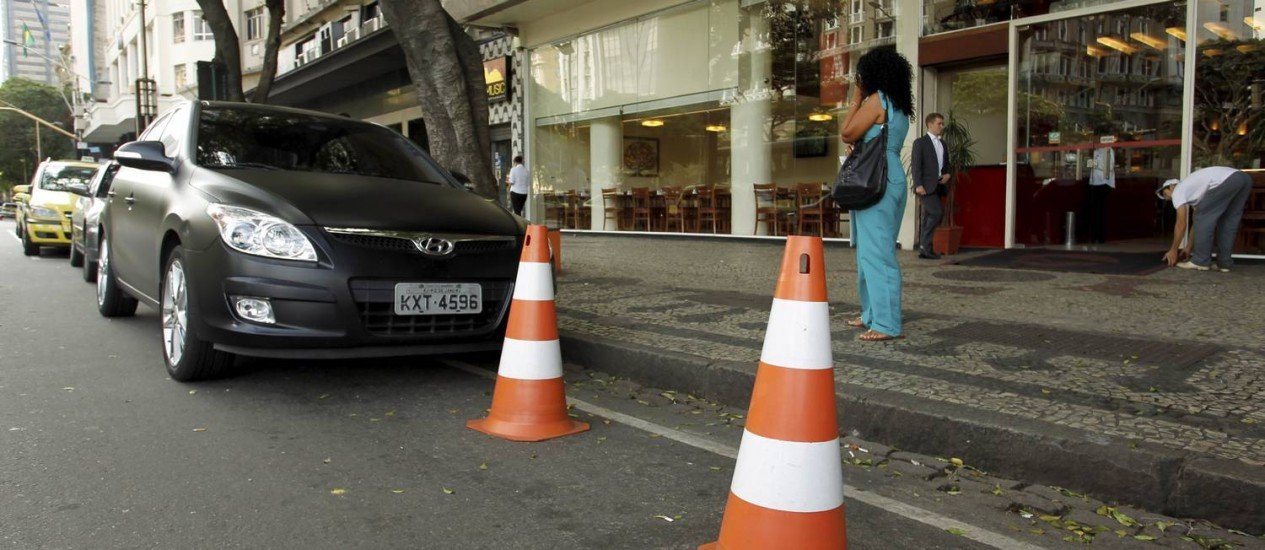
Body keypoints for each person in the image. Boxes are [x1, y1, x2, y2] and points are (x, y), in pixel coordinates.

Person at [840, 46, 914, 342]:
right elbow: (872, 139)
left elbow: (847, 131)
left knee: (877, 254)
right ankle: (871, 313)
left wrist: (856, 98)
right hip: (890, 177)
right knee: (870, 251)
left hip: (874, 180)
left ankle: (886, 323)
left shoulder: (875, 99)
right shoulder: (899, 105)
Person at [1158, 166, 1252, 272]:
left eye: (1165, 194)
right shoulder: (1195, 191)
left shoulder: (1178, 190)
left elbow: (1181, 224)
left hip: (1228, 180)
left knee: (1203, 217)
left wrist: (1173, 250)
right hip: (1244, 179)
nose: (1168, 198)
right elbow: (1197, 223)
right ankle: (1224, 263)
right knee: (1227, 222)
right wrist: (1189, 247)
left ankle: (1200, 261)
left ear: (1171, 186)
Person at [911, 112, 950, 260]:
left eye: (942, 123)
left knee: (928, 215)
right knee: (936, 213)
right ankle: (925, 246)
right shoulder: (920, 142)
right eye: (939, 123)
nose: (942, 126)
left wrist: (948, 175)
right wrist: (918, 184)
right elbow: (916, 165)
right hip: (925, 186)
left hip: (939, 185)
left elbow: (946, 164)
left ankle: (924, 248)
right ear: (930, 124)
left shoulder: (943, 143)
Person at [1087, 145, 1116, 243]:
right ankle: (1094, 235)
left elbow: (1110, 166)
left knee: (1100, 210)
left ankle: (1100, 236)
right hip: (1094, 182)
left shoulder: (1107, 150)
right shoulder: (1095, 151)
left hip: (1103, 183)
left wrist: (1096, 165)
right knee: (1094, 210)